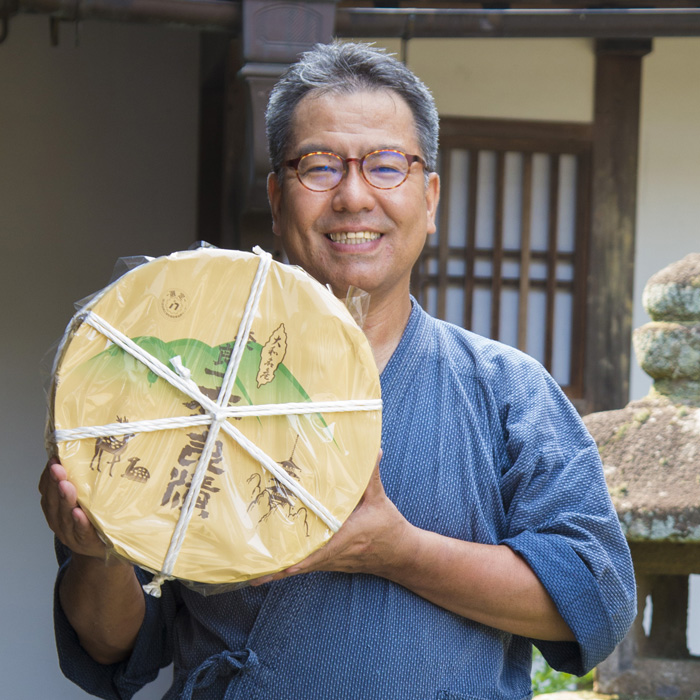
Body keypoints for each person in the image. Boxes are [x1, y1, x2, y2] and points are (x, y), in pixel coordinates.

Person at [39, 41, 636, 699]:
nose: (354, 197)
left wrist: (397, 550)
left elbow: (596, 600)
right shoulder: (188, 383)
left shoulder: (504, 389)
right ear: (276, 195)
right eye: (319, 166)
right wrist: (98, 557)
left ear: (430, 197)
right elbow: (114, 643)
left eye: (386, 166)